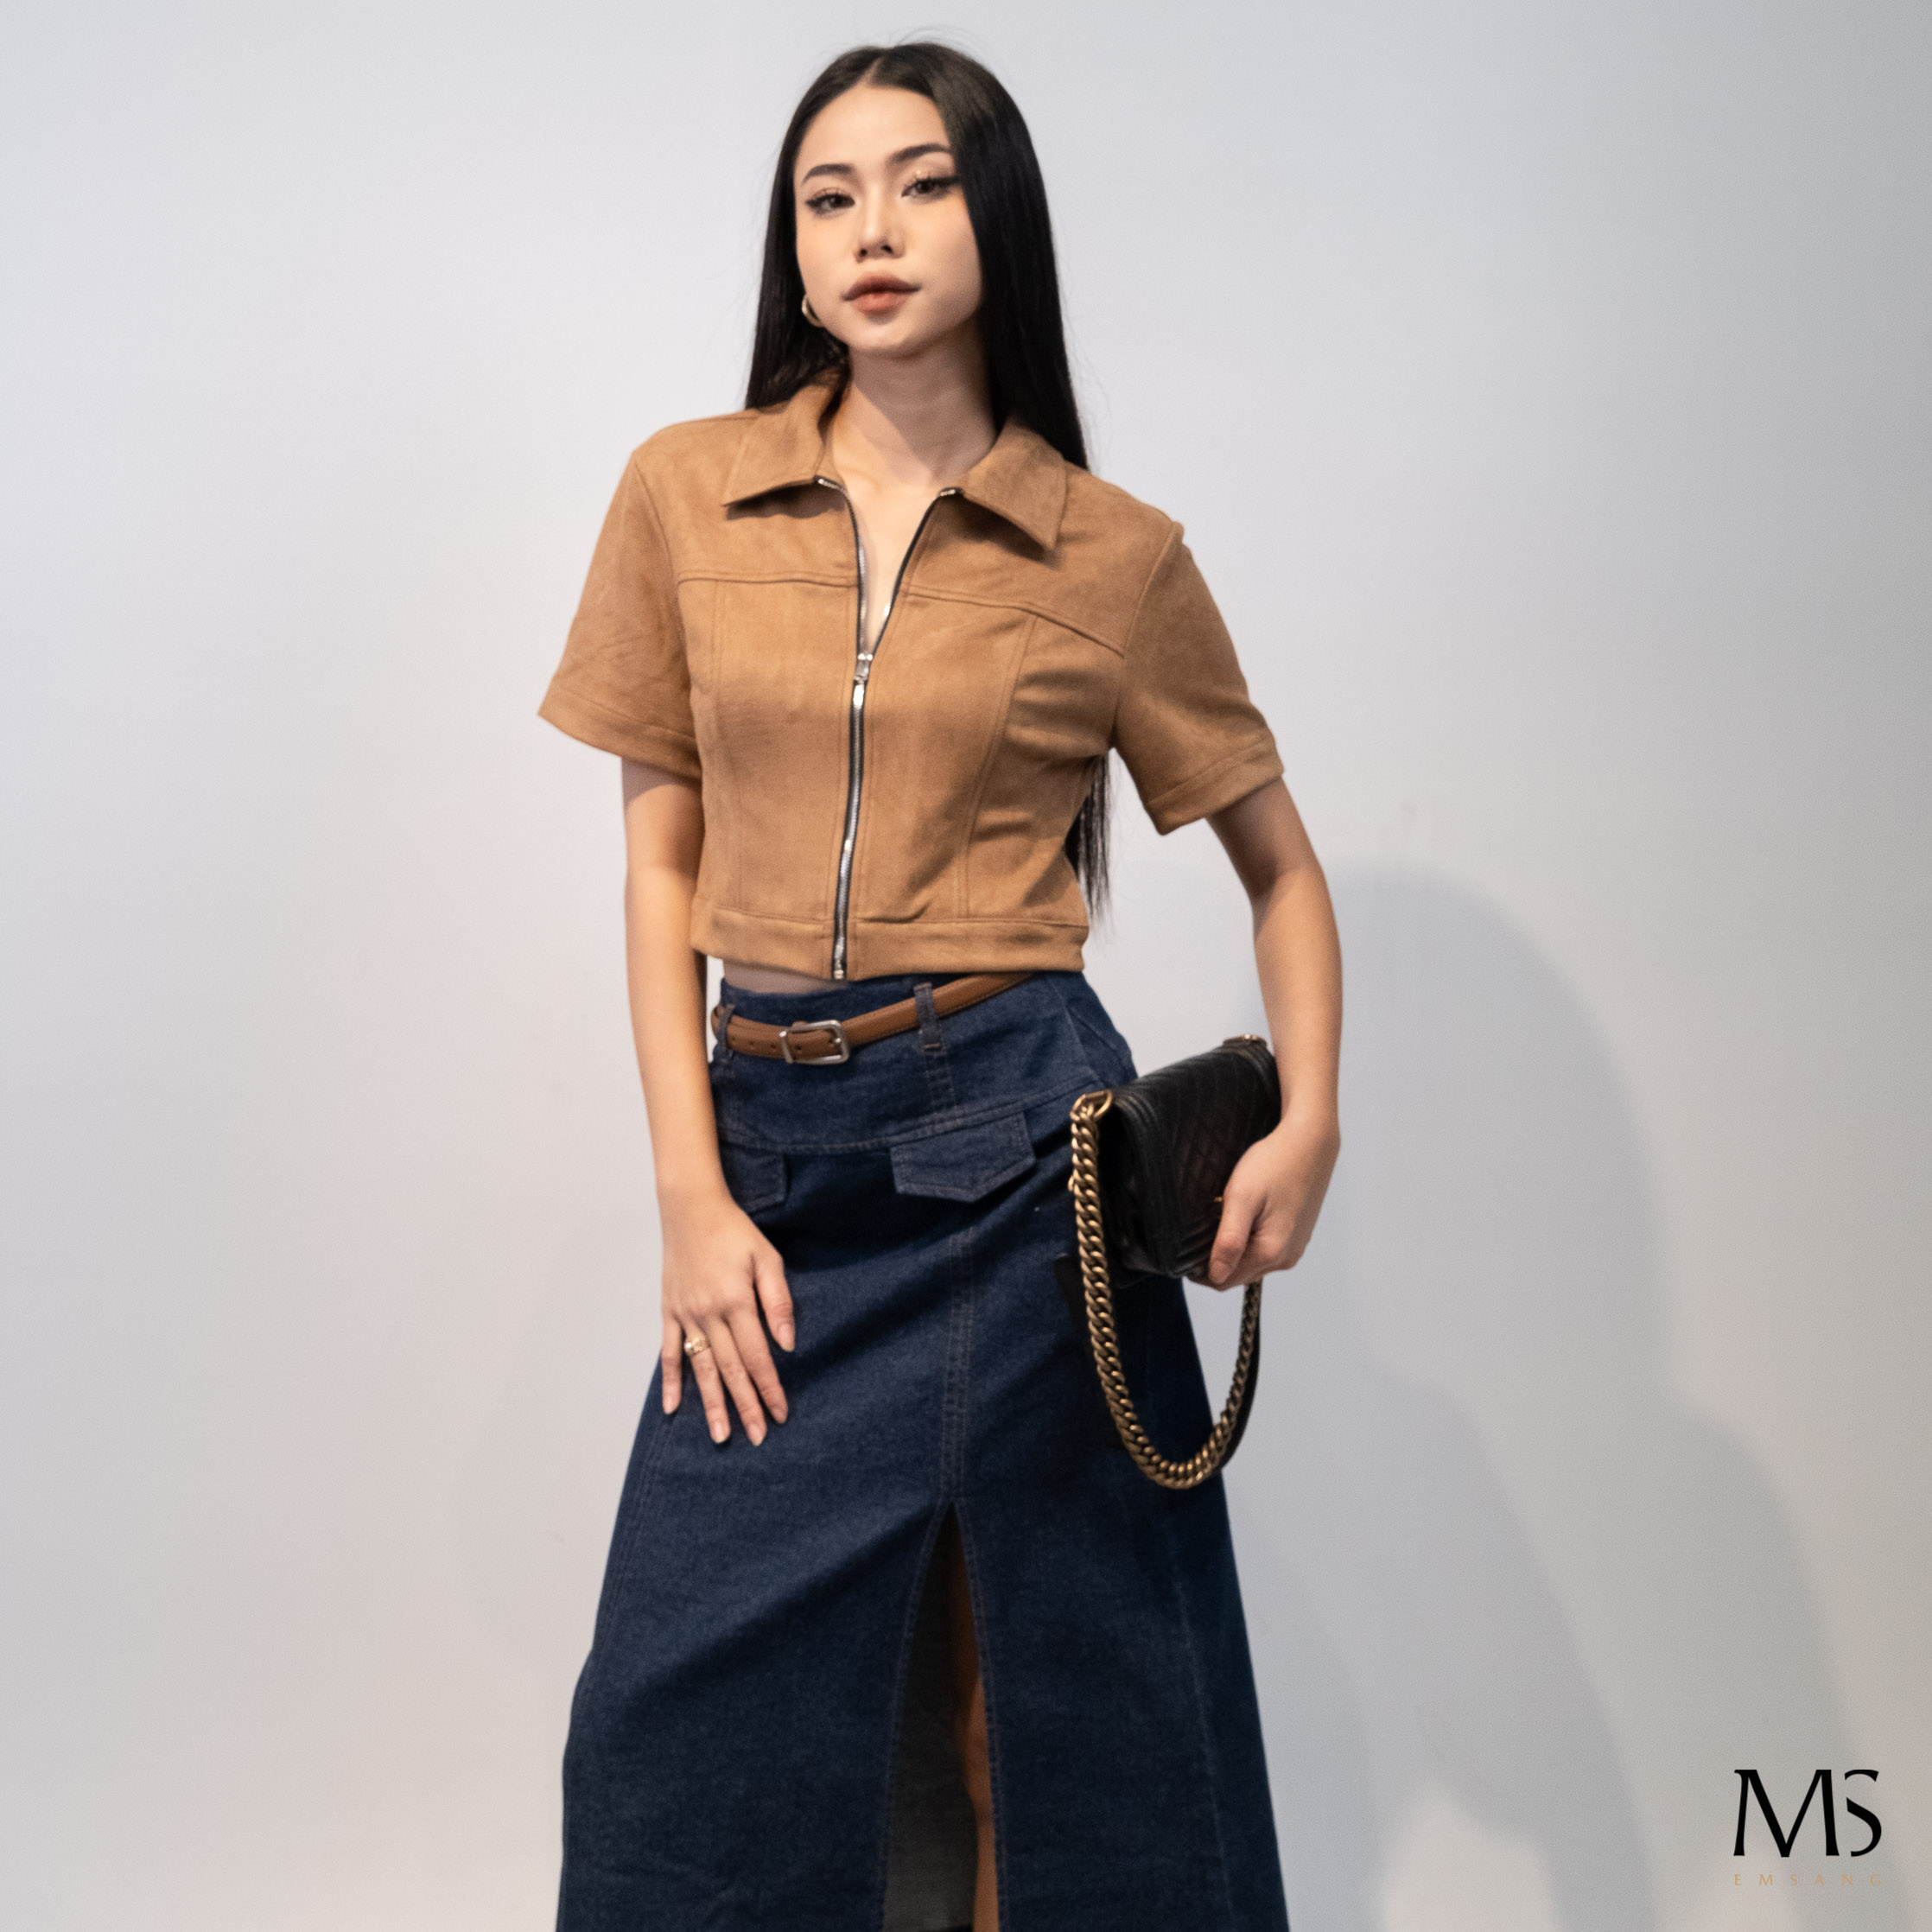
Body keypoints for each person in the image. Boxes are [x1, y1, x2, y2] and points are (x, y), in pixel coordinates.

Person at [537, 40, 1342, 1932]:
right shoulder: (684, 493)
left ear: (1001, 216)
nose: (870, 230)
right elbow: (657, 869)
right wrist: (690, 1191)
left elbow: (1281, 870)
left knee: (1051, 1723)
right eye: (827, 196)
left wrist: (1308, 1121)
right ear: (793, 248)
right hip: (770, 1160)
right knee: (669, 1733)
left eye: (918, 183)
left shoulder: (1111, 555)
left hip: (1024, 1169)